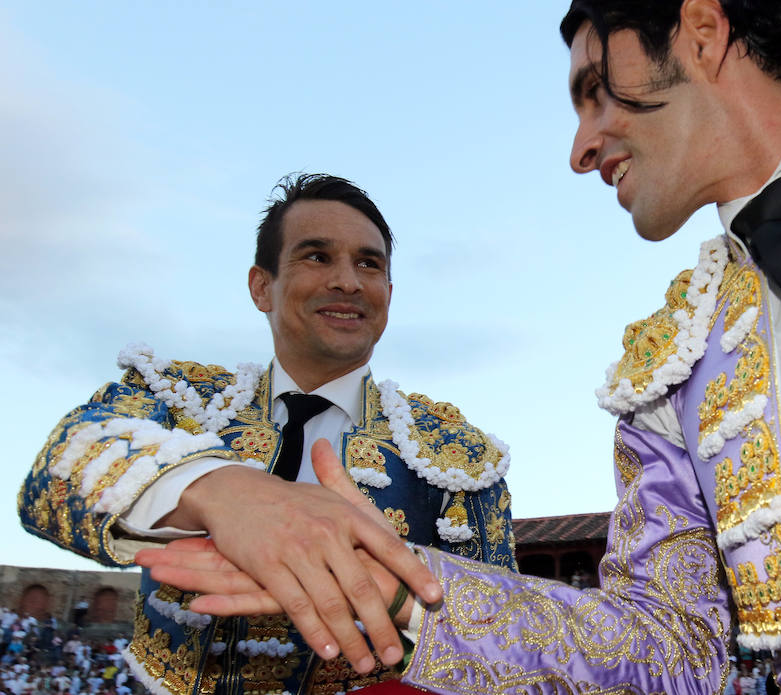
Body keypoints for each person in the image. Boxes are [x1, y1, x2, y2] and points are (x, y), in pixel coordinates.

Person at [139, 1, 781, 693]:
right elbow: (671, 650)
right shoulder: (673, 363)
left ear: (701, 34)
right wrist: (407, 589)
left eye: (596, 90)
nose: (581, 148)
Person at [18, 173, 517, 694]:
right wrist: (217, 491)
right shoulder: (179, 396)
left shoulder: (451, 450)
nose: (348, 281)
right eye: (317, 256)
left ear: (387, 295)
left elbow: (502, 638)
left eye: (368, 264)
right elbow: (53, 478)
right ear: (261, 287)